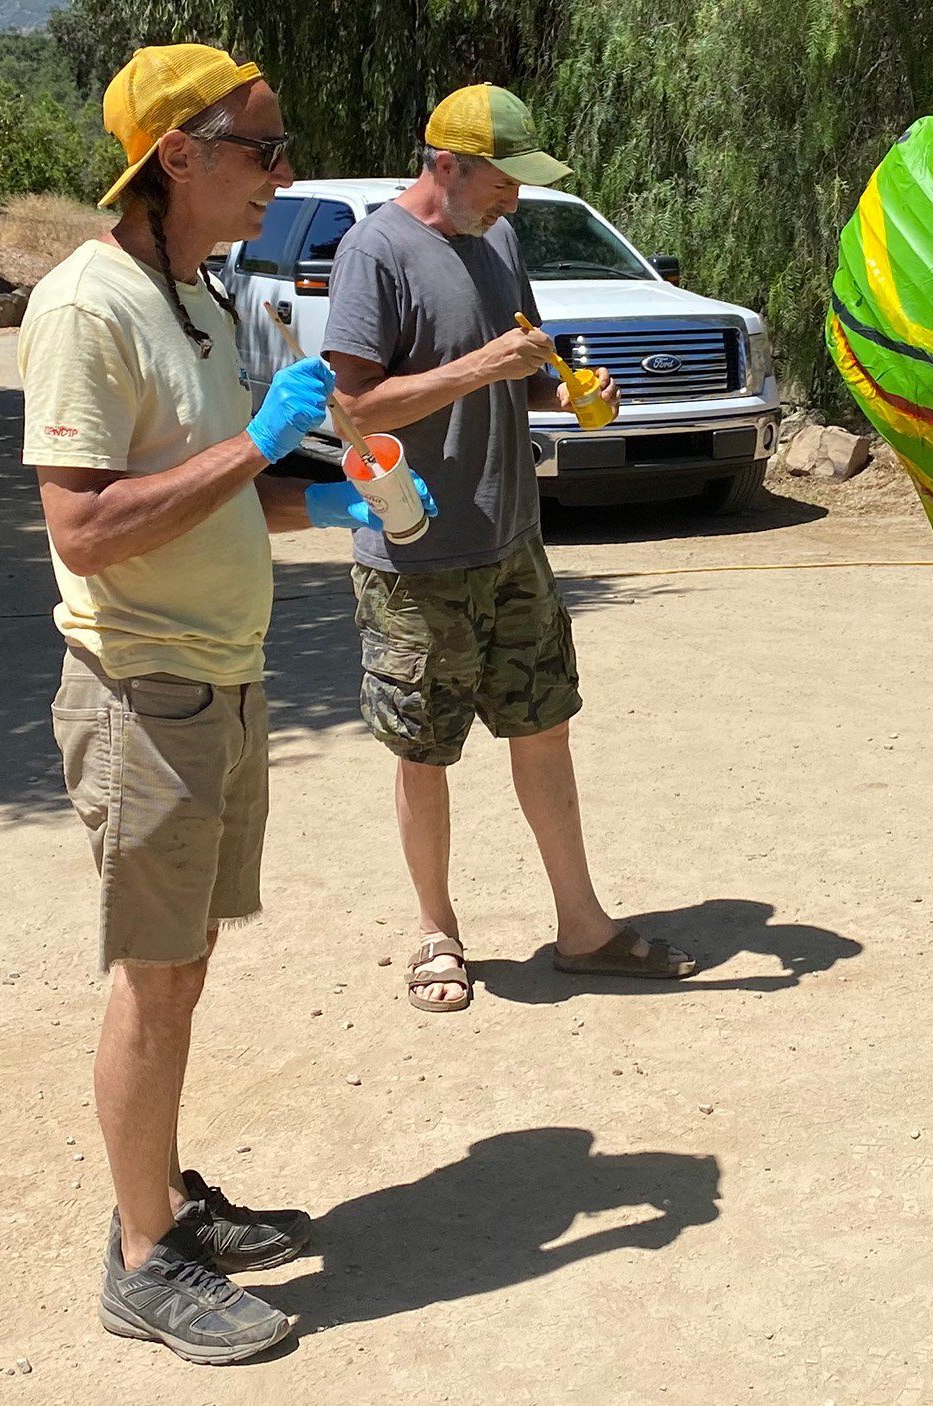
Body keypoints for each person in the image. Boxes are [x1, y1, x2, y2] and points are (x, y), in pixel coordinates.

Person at [21, 43, 399, 1364]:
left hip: (222, 684)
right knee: (153, 974)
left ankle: (165, 1199)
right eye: (264, 149)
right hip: (144, 693)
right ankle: (139, 1260)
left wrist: (328, 499)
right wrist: (255, 443)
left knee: (186, 962)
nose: (283, 175)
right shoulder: (89, 306)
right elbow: (84, 526)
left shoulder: (194, 292)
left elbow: (219, 486)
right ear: (176, 155)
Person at [323, 84, 696, 1012]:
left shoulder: (495, 239)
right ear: (444, 166)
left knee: (544, 730)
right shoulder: (376, 252)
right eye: (501, 181)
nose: (514, 201)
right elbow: (354, 410)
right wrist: (482, 366)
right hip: (414, 557)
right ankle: (437, 934)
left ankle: (584, 928)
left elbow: (515, 374)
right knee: (423, 751)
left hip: (512, 544)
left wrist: (566, 392)